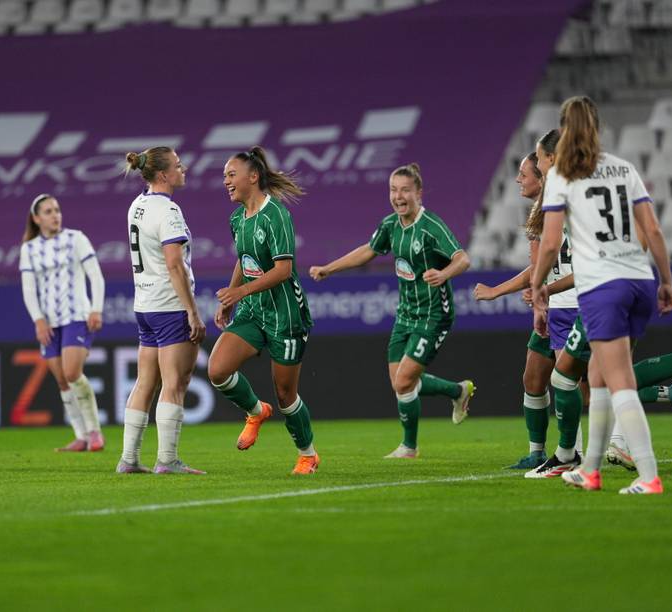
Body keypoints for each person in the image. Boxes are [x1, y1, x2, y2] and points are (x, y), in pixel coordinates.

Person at [532, 95, 672, 494]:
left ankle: (649, 477)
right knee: (596, 374)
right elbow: (654, 231)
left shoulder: (561, 176)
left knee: (619, 382)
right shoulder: (622, 168)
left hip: (603, 287)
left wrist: (538, 284)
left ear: (564, 129)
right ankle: (589, 469)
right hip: (639, 280)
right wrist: (666, 281)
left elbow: (550, 243)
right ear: (596, 127)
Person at [310, 163, 475, 458]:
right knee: (400, 383)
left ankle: (409, 447)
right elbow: (368, 251)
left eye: (405, 191)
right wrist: (329, 269)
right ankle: (457, 392)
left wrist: (443, 274)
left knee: (403, 381)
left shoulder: (431, 227)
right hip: (405, 313)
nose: (398, 197)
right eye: (393, 190)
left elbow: (463, 258)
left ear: (419, 193)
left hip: (433, 315)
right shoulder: (390, 225)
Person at [206, 146, 319, 475]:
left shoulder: (277, 215)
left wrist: (239, 291)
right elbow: (244, 260)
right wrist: (231, 300)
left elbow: (283, 270)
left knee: (286, 393)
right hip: (253, 312)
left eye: (231, 175)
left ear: (252, 177)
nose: (226, 181)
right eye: (225, 176)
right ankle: (256, 411)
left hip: (285, 315)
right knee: (217, 370)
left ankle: (307, 454)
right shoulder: (237, 218)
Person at [473, 148, 572, 469]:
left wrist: (498, 291)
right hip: (552, 307)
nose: (518, 179)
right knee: (533, 378)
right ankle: (537, 452)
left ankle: (666, 392)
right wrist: (536, 303)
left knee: (589, 389)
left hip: (576, 306)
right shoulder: (536, 214)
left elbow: (549, 267)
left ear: (542, 178)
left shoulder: (565, 209)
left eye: (524, 174)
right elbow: (537, 268)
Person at [115, 147, 207, 475]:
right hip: (169, 307)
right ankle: (167, 460)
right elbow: (174, 264)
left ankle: (129, 458)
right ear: (164, 175)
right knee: (174, 384)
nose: (183, 169)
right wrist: (192, 312)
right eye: (178, 165)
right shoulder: (168, 211)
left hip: (144, 305)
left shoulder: (137, 205)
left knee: (145, 382)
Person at [19, 194, 105, 452]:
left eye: (56, 209)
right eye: (48, 211)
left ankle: (94, 432)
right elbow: (29, 289)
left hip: (77, 316)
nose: (55, 215)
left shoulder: (75, 239)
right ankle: (80, 436)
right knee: (62, 381)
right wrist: (38, 321)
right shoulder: (29, 249)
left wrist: (96, 309)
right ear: (36, 219)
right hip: (49, 322)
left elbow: (96, 277)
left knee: (71, 373)